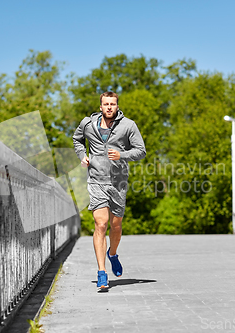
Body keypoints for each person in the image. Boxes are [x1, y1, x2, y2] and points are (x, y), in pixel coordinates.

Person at [72, 91, 146, 290]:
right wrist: (82, 155)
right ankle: (102, 272)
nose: (109, 107)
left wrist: (122, 154)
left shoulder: (128, 125)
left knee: (116, 225)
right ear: (100, 106)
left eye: (113, 104)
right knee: (101, 223)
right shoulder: (87, 124)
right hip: (96, 180)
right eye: (106, 104)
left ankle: (112, 254)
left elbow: (141, 151)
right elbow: (77, 139)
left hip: (118, 183)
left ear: (117, 106)